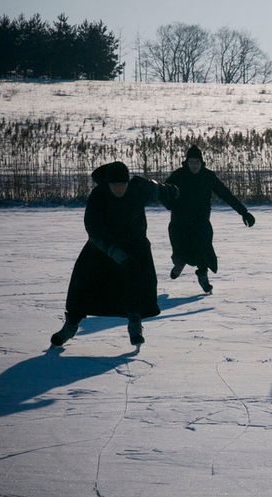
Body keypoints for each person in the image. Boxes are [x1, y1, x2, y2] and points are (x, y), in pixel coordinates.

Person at [50, 161, 180, 347]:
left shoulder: (138, 188)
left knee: (135, 286)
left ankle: (135, 325)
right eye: (115, 185)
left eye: (122, 184)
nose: (119, 189)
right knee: (82, 286)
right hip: (102, 247)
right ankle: (70, 326)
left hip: (135, 247)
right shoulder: (98, 196)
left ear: (128, 183)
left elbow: (160, 189)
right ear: (107, 184)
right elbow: (93, 229)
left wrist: (172, 191)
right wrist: (112, 251)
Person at [166, 145, 255, 293]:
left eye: (197, 162)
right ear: (186, 163)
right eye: (191, 162)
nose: (194, 165)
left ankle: (203, 276)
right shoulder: (178, 175)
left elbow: (226, 194)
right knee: (180, 248)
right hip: (180, 221)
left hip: (201, 221)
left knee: (203, 249)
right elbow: (164, 192)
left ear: (201, 162)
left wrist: (243, 212)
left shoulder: (208, 177)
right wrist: (168, 203)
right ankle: (179, 263)